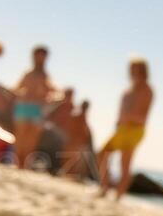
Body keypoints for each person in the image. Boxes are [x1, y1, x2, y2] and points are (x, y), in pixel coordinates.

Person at [97, 57, 154, 199]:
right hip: (122, 129)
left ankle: (118, 196)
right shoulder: (129, 89)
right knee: (101, 154)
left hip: (134, 130)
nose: (133, 71)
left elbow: (143, 116)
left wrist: (128, 117)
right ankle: (104, 187)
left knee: (125, 163)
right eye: (131, 68)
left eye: (136, 68)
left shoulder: (146, 90)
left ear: (143, 70)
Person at [12, 45, 53, 169]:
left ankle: (24, 164)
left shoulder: (45, 76)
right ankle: (17, 163)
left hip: (37, 109)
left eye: (43, 56)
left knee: (32, 139)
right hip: (24, 106)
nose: (41, 59)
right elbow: (17, 88)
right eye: (38, 56)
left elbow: (50, 92)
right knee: (20, 136)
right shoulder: (29, 74)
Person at [62, 98, 96, 180]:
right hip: (76, 141)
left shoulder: (80, 116)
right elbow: (76, 128)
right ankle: (68, 175)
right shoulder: (79, 116)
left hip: (77, 141)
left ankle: (68, 175)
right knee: (73, 159)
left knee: (74, 159)